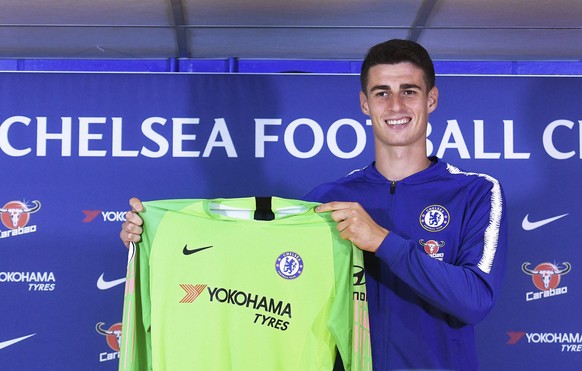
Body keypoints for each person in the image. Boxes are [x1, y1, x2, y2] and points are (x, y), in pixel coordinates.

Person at [120, 39, 507, 370]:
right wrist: (157, 241)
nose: (395, 105)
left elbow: (474, 300)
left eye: (409, 90)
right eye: (381, 92)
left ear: (432, 99)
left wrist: (381, 240)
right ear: (364, 103)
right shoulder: (325, 200)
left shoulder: (474, 192)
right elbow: (253, 277)